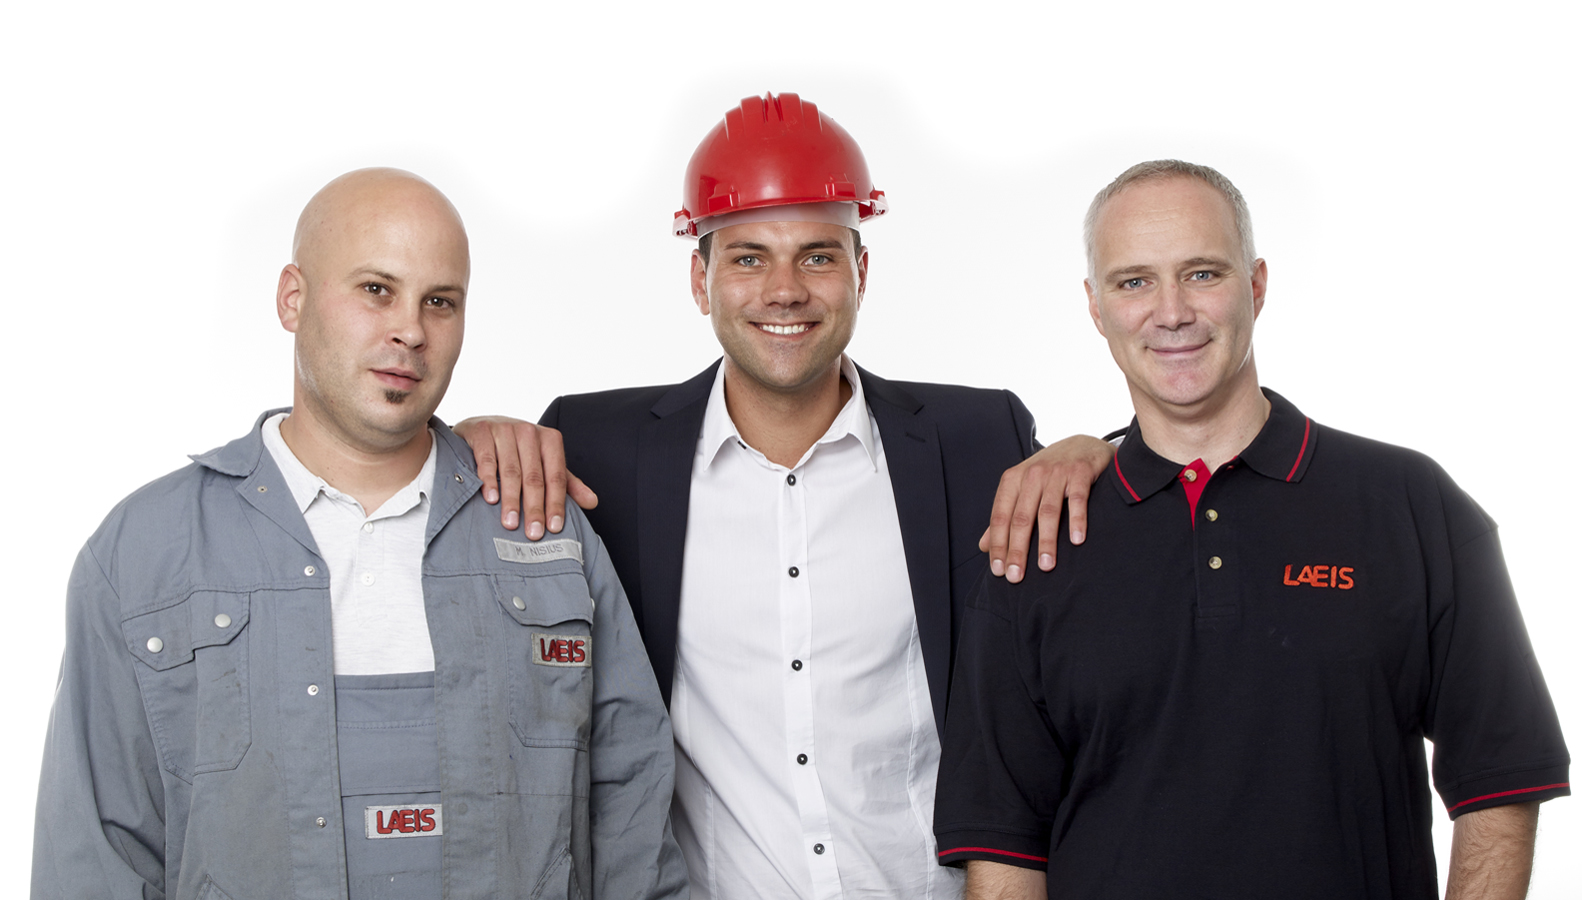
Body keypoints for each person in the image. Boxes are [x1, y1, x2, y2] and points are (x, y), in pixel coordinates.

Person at [455, 93, 1114, 899]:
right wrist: (468, 440)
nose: (784, 290)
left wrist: (1104, 449)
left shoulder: (978, 438)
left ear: (860, 274)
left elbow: (1098, 561)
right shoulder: (598, 449)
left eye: (817, 256)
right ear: (700, 280)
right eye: (747, 258)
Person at [31, 168, 686, 900]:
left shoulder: (545, 533)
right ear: (293, 297)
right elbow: (93, 855)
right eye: (377, 289)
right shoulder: (145, 550)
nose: (411, 330)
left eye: (440, 302)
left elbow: (634, 815)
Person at [932, 160, 1570, 900]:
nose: (1171, 311)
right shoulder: (1037, 537)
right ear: (1096, 307)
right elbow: (1005, 847)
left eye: (1202, 274)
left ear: (1257, 284)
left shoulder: (1409, 503)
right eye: (1134, 282)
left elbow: (1499, 782)